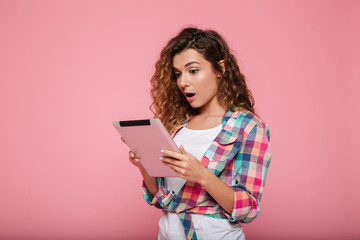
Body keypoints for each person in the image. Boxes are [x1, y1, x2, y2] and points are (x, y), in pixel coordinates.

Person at [128, 27, 271, 240]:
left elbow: (248, 208)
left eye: (193, 70)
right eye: (178, 74)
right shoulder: (177, 126)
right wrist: (143, 166)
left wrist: (201, 175)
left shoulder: (248, 126)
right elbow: (161, 198)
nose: (183, 82)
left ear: (220, 69)